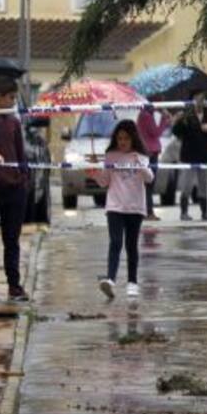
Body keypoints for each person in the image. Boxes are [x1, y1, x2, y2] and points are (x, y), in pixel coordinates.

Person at [87, 120, 154, 300]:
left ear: (133, 138)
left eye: (125, 138)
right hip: (115, 206)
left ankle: (132, 283)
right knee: (115, 243)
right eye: (119, 138)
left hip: (135, 207)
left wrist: (140, 164)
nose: (122, 142)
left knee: (131, 246)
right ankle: (110, 280)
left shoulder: (141, 156)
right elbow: (104, 181)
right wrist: (94, 171)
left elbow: (149, 179)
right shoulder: (111, 156)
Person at [0, 76, 30, 302]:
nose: (14, 102)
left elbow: (20, 152)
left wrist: (24, 177)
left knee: (11, 240)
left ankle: (14, 285)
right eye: (11, 97)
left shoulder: (13, 122)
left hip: (15, 189)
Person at [171, 92, 207, 221]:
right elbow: (176, 132)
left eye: (202, 99)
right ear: (192, 101)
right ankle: (184, 212)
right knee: (187, 185)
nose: (199, 101)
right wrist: (179, 121)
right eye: (196, 99)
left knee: (203, 185)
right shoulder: (187, 115)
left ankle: (204, 212)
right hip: (189, 156)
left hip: (205, 155)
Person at [136, 101, 171, 221]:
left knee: (148, 184)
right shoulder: (146, 115)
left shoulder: (144, 115)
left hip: (149, 151)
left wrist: (165, 119)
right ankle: (148, 212)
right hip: (150, 152)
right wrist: (163, 119)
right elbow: (156, 132)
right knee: (149, 184)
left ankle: (146, 211)